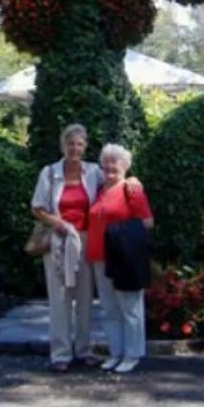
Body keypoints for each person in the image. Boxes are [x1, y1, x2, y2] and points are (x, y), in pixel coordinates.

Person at [30, 124, 143, 372]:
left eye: (80, 144)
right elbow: (37, 208)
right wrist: (57, 222)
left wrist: (134, 178)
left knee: (84, 299)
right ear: (63, 146)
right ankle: (60, 354)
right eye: (70, 144)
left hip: (88, 240)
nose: (75, 149)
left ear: (85, 147)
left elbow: (117, 178)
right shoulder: (49, 173)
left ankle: (83, 350)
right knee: (60, 299)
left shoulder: (93, 171)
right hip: (60, 240)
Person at [86, 143, 154, 374]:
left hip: (124, 258)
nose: (109, 166)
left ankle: (132, 354)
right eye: (106, 162)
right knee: (108, 309)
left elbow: (146, 222)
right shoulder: (98, 189)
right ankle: (116, 352)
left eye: (114, 162)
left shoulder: (131, 189)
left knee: (130, 308)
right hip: (100, 257)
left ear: (125, 165)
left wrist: (117, 231)